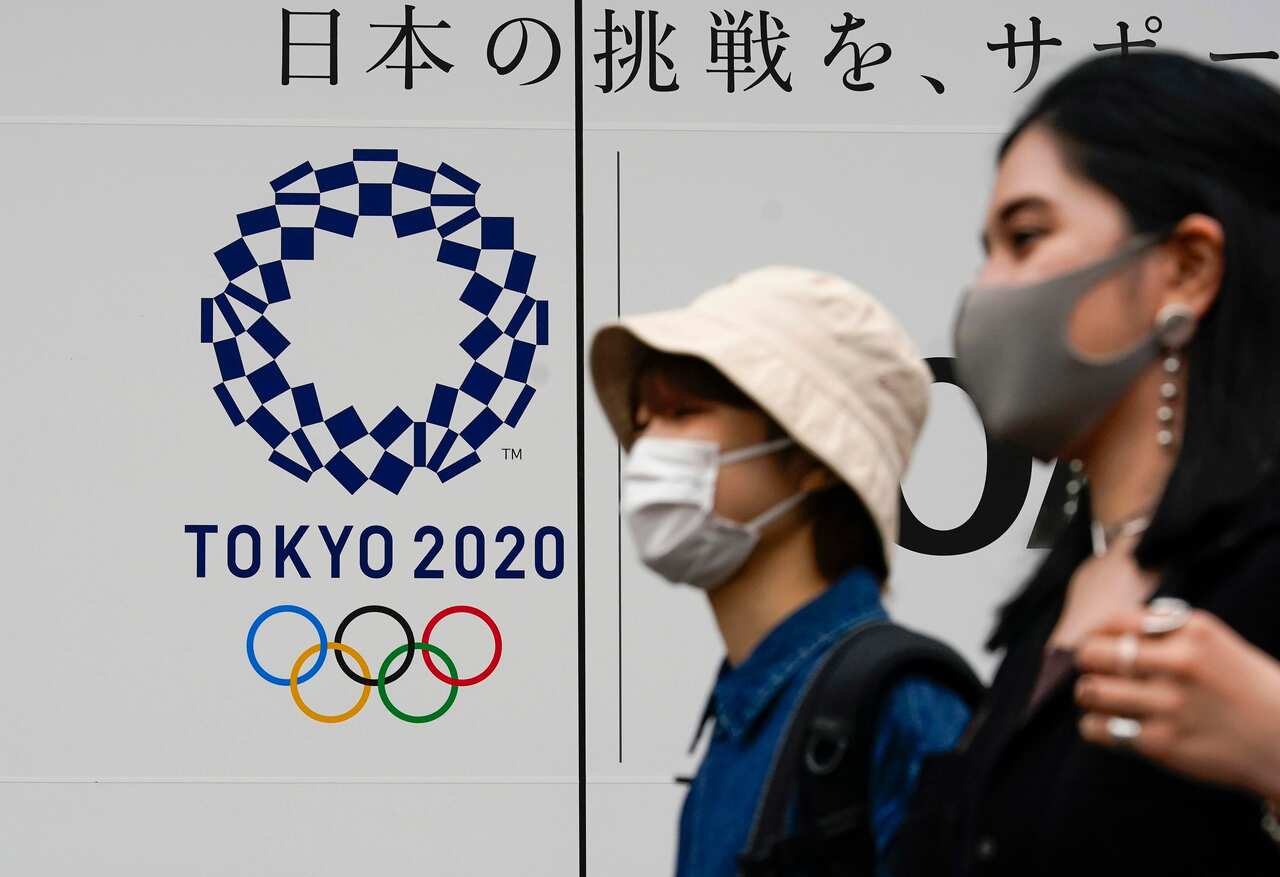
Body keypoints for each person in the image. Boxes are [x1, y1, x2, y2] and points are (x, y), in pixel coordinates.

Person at [892, 51, 1280, 875]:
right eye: (987, 250)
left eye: (1027, 237)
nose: (986, 290)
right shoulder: (1049, 608)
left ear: (1187, 269)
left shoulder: (1263, 561)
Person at [589, 265, 974, 876]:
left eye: (682, 412)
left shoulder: (902, 707)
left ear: (814, 458)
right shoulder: (740, 717)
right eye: (642, 423)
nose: (648, 448)